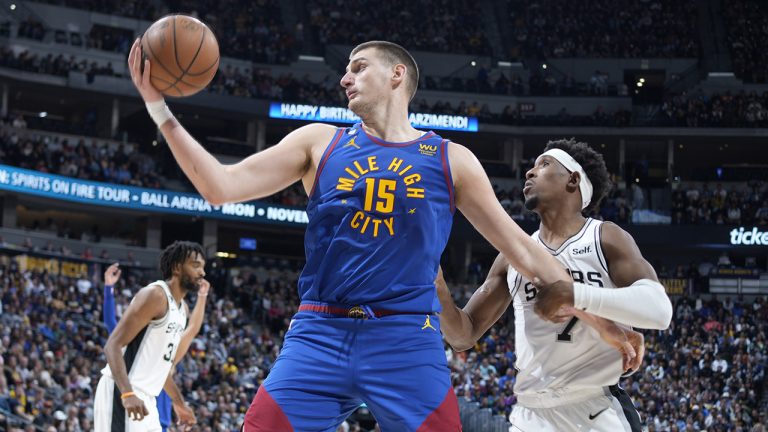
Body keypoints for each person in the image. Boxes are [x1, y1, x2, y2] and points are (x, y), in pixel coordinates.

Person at [128, 39, 572, 431]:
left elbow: (521, 248)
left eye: (358, 67)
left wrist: (604, 316)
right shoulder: (319, 142)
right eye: (346, 69)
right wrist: (158, 107)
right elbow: (218, 187)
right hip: (320, 331)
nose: (345, 78)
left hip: (407, 338)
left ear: (397, 74)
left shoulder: (450, 159)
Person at [436, 139, 673, 432]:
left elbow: (660, 310)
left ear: (573, 180)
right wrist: (437, 288)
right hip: (530, 415)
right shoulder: (512, 256)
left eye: (544, 165)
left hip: (595, 412)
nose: (529, 173)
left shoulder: (605, 237)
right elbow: (463, 334)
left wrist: (576, 293)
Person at [94, 241, 205, 431]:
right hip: (122, 392)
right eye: (195, 265)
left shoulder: (182, 310)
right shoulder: (155, 296)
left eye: (203, 267)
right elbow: (112, 345)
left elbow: (162, 368)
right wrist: (127, 394)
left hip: (147, 399)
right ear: (177, 268)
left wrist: (179, 404)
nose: (202, 272)